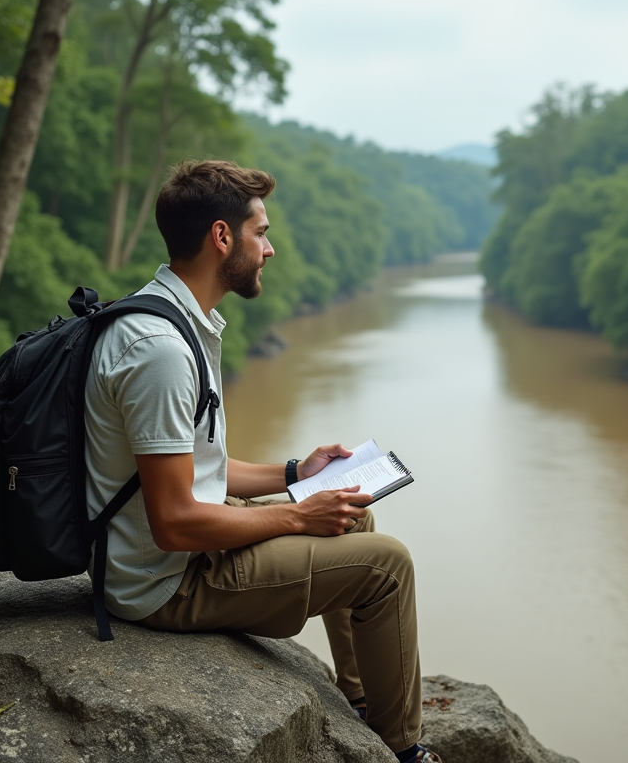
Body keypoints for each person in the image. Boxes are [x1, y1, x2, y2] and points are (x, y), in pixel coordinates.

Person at [83, 158, 440, 763]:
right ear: (222, 237)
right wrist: (301, 517)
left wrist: (299, 475)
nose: (269, 249)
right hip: (164, 582)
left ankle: (359, 706)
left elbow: (199, 471)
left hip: (161, 552)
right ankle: (402, 750)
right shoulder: (162, 350)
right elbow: (174, 521)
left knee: (358, 517)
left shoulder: (167, 317)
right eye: (262, 232)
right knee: (388, 565)